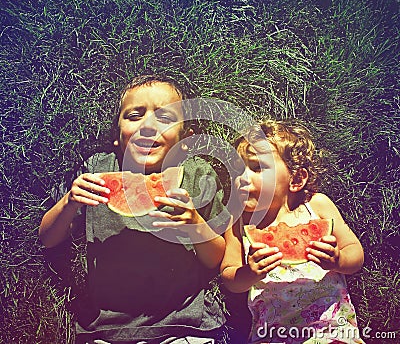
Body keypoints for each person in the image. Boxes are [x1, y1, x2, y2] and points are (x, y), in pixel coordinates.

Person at [39, 74, 233, 344]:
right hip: (107, 328)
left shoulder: (198, 175)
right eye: (134, 115)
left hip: (185, 325)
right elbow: (48, 239)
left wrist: (196, 225)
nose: (148, 126)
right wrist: (69, 201)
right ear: (117, 136)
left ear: (185, 141)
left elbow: (215, 259)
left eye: (165, 118)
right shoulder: (98, 171)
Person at [221, 119, 365, 344]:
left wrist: (338, 261)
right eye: (238, 170)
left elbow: (355, 253)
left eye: (257, 168)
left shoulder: (318, 206)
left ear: (296, 179)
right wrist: (250, 272)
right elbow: (229, 277)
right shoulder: (238, 223)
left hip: (331, 329)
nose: (242, 178)